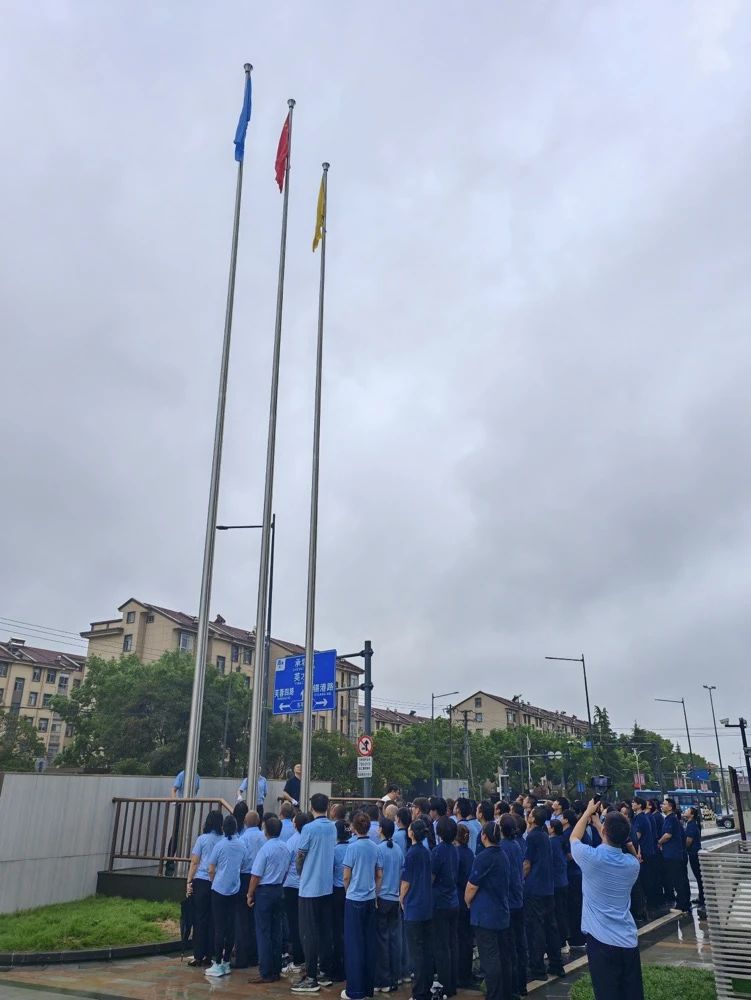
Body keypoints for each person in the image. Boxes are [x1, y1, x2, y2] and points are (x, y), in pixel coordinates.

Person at [570, 800, 643, 1000]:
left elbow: (574, 837)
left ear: (604, 832)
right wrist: (597, 823)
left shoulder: (591, 858)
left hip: (601, 941)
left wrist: (587, 813)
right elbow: (614, 840)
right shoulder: (632, 865)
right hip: (627, 939)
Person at [293, 792, 337, 994]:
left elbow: (301, 855)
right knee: (325, 930)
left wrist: (301, 872)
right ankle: (324, 971)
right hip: (327, 886)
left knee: (308, 933)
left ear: (311, 807)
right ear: (327, 807)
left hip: (309, 887)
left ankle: (311, 977)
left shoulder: (308, 828)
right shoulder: (332, 827)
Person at [464, 822, 511, 1000]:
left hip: (485, 916)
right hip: (501, 913)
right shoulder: (503, 855)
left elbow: (471, 886)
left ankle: (494, 995)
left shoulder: (483, 857)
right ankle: (504, 992)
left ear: (484, 836)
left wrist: (467, 901)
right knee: (502, 956)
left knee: (490, 958)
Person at [342, 811, 382, 1000]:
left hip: (354, 899)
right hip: (370, 898)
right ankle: (367, 988)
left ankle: (354, 990)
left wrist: (348, 890)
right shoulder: (375, 847)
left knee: (354, 945)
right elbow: (379, 874)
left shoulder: (352, 847)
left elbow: (346, 876)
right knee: (369, 943)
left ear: (354, 827)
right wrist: (375, 892)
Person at [523, 806, 565, 983]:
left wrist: (521, 879)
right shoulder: (545, 835)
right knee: (551, 926)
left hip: (535, 888)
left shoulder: (532, 836)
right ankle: (556, 963)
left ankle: (538, 968)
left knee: (536, 929)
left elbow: (527, 864)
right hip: (548, 887)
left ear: (533, 819)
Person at [248, 814, 289, 984]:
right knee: (276, 931)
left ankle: (265, 971)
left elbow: (256, 875)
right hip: (278, 889)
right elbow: (286, 870)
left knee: (263, 932)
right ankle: (276, 970)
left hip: (264, 891)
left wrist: (250, 893)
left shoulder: (265, 849)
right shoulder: (285, 848)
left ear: (266, 831)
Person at [205, 815, 247, 978]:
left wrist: (213, 880)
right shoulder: (242, 844)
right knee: (231, 927)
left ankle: (217, 963)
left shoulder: (220, 845)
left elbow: (211, 868)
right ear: (236, 828)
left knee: (219, 927)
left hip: (218, 889)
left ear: (223, 828)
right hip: (234, 889)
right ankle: (227, 961)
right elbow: (243, 863)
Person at [400, 819, 434, 1000]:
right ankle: (426, 988)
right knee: (426, 950)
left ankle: (419, 992)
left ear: (412, 833)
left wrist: (401, 898)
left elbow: (406, 881)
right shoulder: (426, 852)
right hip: (427, 905)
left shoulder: (411, 854)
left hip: (414, 907)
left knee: (416, 953)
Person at [186, 809, 223, 967]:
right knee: (213, 919)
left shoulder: (202, 839)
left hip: (201, 880)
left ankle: (198, 955)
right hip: (216, 882)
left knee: (200, 918)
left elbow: (195, 862)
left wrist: (189, 881)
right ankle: (210, 954)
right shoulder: (223, 840)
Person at [431, 815, 459, 998]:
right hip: (453, 900)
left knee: (441, 946)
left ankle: (444, 984)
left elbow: (431, 876)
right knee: (452, 944)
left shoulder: (437, 851)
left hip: (440, 902)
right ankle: (453, 982)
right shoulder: (454, 850)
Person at [500, 813, 527, 997]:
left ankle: (511, 988)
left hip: (508, 901)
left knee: (508, 948)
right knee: (519, 944)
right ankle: (521, 984)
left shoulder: (502, 847)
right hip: (518, 898)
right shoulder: (516, 845)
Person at [375, 817, 402, 993]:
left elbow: (378, 875)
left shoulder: (379, 849)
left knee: (382, 940)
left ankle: (383, 980)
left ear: (382, 830)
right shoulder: (398, 849)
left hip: (383, 898)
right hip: (395, 898)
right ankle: (395, 977)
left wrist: (375, 895)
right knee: (394, 939)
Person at [235, 810, 264, 969]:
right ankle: (255, 955)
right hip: (261, 879)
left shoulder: (243, 839)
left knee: (242, 919)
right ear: (258, 822)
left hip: (245, 877)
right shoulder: (264, 837)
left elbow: (240, 860)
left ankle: (242, 957)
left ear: (245, 823)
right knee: (256, 919)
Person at [284, 812, 311, 977]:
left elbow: (286, 863)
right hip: (306, 886)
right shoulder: (309, 839)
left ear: (295, 825)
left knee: (294, 924)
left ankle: (297, 958)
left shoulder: (292, 841)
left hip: (291, 886)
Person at [659, 798, 691, 915]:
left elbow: (668, 835)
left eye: (664, 804)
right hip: (676, 854)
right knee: (681, 879)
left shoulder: (671, 819)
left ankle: (681, 906)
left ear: (670, 807)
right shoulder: (672, 819)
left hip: (673, 855)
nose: (662, 806)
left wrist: (659, 842)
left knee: (678, 880)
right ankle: (685, 904)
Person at [561, 810, 586, 951]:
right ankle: (579, 938)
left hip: (572, 874)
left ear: (566, 820)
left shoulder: (567, 835)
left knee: (573, 908)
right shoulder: (581, 832)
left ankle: (576, 939)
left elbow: (569, 854)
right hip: (578, 873)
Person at [454, 823, 475, 990]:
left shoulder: (457, 854)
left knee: (459, 939)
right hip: (469, 900)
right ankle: (466, 973)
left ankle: (460, 974)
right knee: (467, 938)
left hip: (459, 897)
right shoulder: (470, 853)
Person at [630, 798, 659, 915]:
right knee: (649, 878)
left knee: (645, 880)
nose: (632, 804)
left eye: (634, 803)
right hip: (648, 852)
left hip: (643, 853)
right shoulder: (643, 817)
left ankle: (647, 906)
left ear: (639, 805)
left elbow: (636, 837)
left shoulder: (640, 819)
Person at [332, 820, 350, 983]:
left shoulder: (335, 850)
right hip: (350, 892)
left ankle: (338, 968)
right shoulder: (352, 848)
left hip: (337, 892)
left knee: (337, 931)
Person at [549, 819, 569, 952]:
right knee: (562, 912)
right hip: (563, 880)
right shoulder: (562, 840)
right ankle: (564, 941)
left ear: (553, 829)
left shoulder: (551, 842)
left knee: (555, 914)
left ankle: (559, 943)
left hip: (555, 882)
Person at [685, 807, 705, 914]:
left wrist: (683, 848)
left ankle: (703, 898)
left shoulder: (691, 825)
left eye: (687, 811)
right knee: (698, 877)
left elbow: (689, 841)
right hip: (694, 852)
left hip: (694, 853)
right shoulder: (691, 824)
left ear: (692, 815)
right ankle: (701, 896)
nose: (685, 811)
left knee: (698, 876)